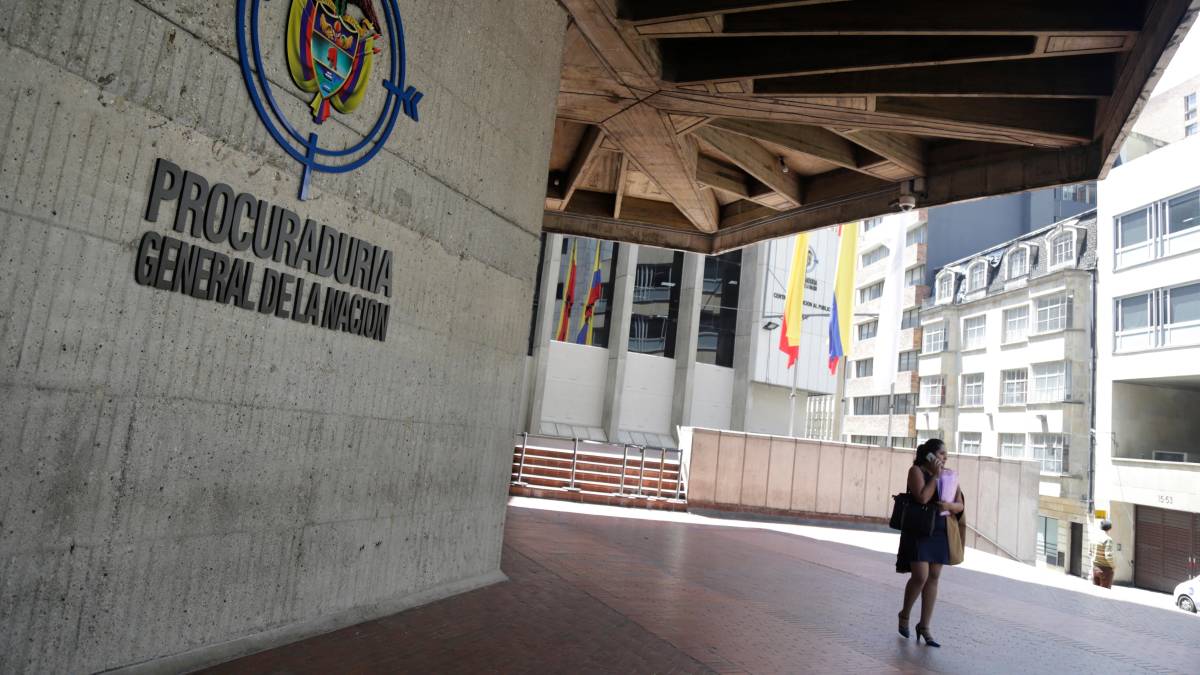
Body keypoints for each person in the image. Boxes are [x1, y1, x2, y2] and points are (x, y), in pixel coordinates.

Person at [896, 439, 964, 648]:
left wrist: (949, 506)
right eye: (942, 454)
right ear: (930, 455)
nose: (945, 458)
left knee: (933, 577)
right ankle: (904, 614)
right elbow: (922, 498)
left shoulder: (949, 475)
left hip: (940, 531)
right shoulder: (916, 471)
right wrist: (935, 476)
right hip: (920, 530)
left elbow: (960, 505)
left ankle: (924, 626)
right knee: (920, 576)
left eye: (946, 455)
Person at [1093, 520, 1115, 588]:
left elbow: (1090, 552)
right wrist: (1113, 566)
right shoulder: (1108, 539)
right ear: (1110, 528)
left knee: (1095, 592)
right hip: (1105, 570)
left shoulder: (1095, 537)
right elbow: (1108, 555)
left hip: (1095, 568)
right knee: (1105, 592)